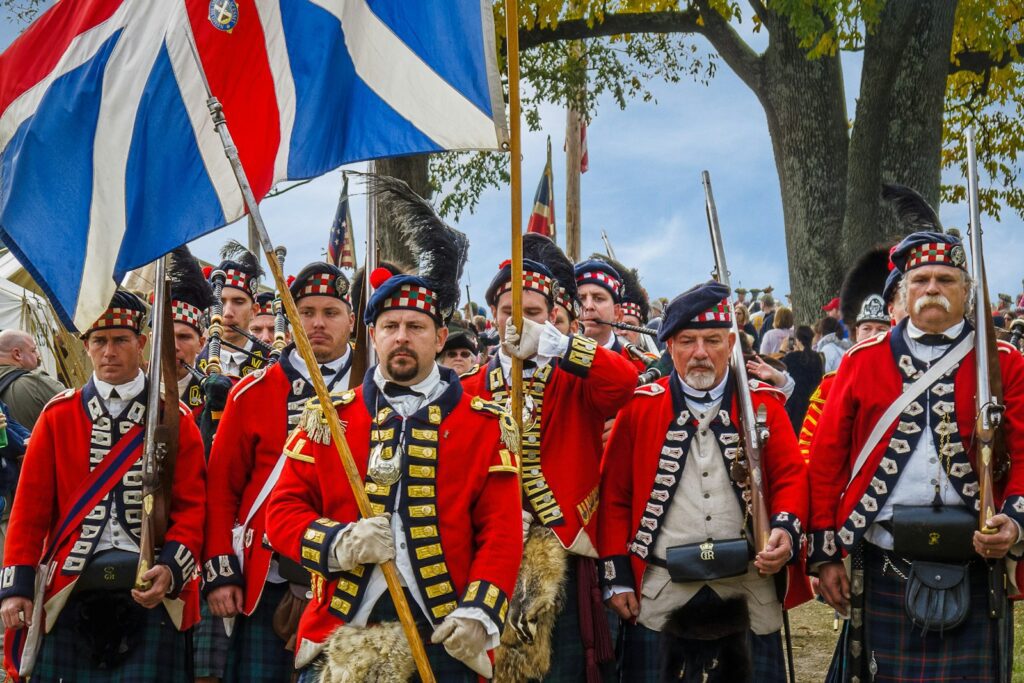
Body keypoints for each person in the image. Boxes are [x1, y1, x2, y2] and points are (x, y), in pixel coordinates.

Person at [265, 177, 522, 680]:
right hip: (343, 629)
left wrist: (480, 611)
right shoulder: (331, 417)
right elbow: (282, 513)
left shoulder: (483, 422)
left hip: (448, 630)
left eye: (416, 327)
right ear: (373, 335)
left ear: (440, 337)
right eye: (390, 327)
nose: (402, 337)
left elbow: (501, 531)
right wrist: (338, 543)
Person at [810, 222, 1024, 681]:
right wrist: (825, 554)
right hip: (885, 556)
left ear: (967, 292)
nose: (932, 289)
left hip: (975, 560)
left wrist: (1014, 519)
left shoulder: (1003, 361)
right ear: (902, 294)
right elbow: (827, 463)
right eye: (920, 280)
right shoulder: (860, 361)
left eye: (945, 280)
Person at [599, 281, 808, 681]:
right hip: (662, 589)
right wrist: (618, 577)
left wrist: (784, 529)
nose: (699, 353)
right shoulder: (640, 408)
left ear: (730, 344)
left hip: (747, 585)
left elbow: (791, 477)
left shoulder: (763, 403)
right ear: (670, 347)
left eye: (711, 340)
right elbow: (615, 498)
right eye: (687, 341)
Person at [0, 290, 206, 682]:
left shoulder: (172, 418)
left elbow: (192, 507)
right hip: (71, 592)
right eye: (99, 341)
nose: (109, 351)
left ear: (141, 343)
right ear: (87, 346)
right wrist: (16, 586)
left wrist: (171, 568)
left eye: (120, 340)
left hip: (151, 592)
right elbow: (29, 512)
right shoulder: (57, 416)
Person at [465, 243, 638, 681]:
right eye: (508, 309)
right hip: (489, 550)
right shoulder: (469, 387)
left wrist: (562, 346)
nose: (518, 319)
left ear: (551, 316)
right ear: (493, 314)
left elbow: (624, 382)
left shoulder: (572, 374)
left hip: (564, 546)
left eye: (533, 311)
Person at [202, 262, 355, 682]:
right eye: (306, 312)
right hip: (269, 574)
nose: (318, 323)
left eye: (331, 312)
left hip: (355, 578)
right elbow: (221, 491)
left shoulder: (374, 389)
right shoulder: (252, 393)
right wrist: (220, 572)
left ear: (352, 320)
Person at [197, 241, 267, 379]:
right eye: (220, 302)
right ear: (210, 310)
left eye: (238, 302)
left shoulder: (272, 363)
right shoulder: (195, 365)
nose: (228, 313)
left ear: (254, 310)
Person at [166, 246, 215, 420]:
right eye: (166, 337)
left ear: (201, 344)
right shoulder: (135, 392)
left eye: (184, 337)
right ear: (152, 339)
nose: (174, 347)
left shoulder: (213, 395)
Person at [0, 329, 65, 430]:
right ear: (17, 354)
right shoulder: (36, 382)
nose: (38, 355)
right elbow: (79, 413)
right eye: (33, 350)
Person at [781, 325, 823, 432]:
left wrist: (782, 351)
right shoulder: (817, 358)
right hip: (812, 400)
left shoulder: (790, 358)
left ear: (798, 340)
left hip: (794, 404)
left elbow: (781, 373)